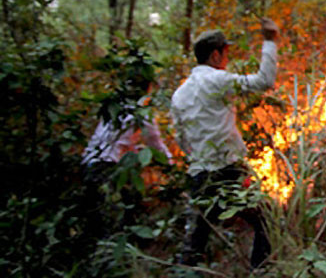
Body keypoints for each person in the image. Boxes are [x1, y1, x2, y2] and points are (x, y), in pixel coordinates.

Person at [171, 19, 279, 269]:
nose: (227, 60)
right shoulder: (217, 80)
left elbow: (181, 139)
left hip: (199, 175)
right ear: (216, 55)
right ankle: (259, 272)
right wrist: (270, 41)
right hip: (228, 171)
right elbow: (264, 81)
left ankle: (188, 273)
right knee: (266, 220)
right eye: (226, 53)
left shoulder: (179, 94)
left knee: (196, 241)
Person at [82, 78, 172, 236]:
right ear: (147, 91)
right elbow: (155, 143)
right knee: (129, 202)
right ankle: (129, 239)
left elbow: (117, 139)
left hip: (90, 161)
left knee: (95, 216)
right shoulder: (142, 114)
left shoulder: (115, 110)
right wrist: (171, 164)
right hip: (108, 165)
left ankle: (103, 246)